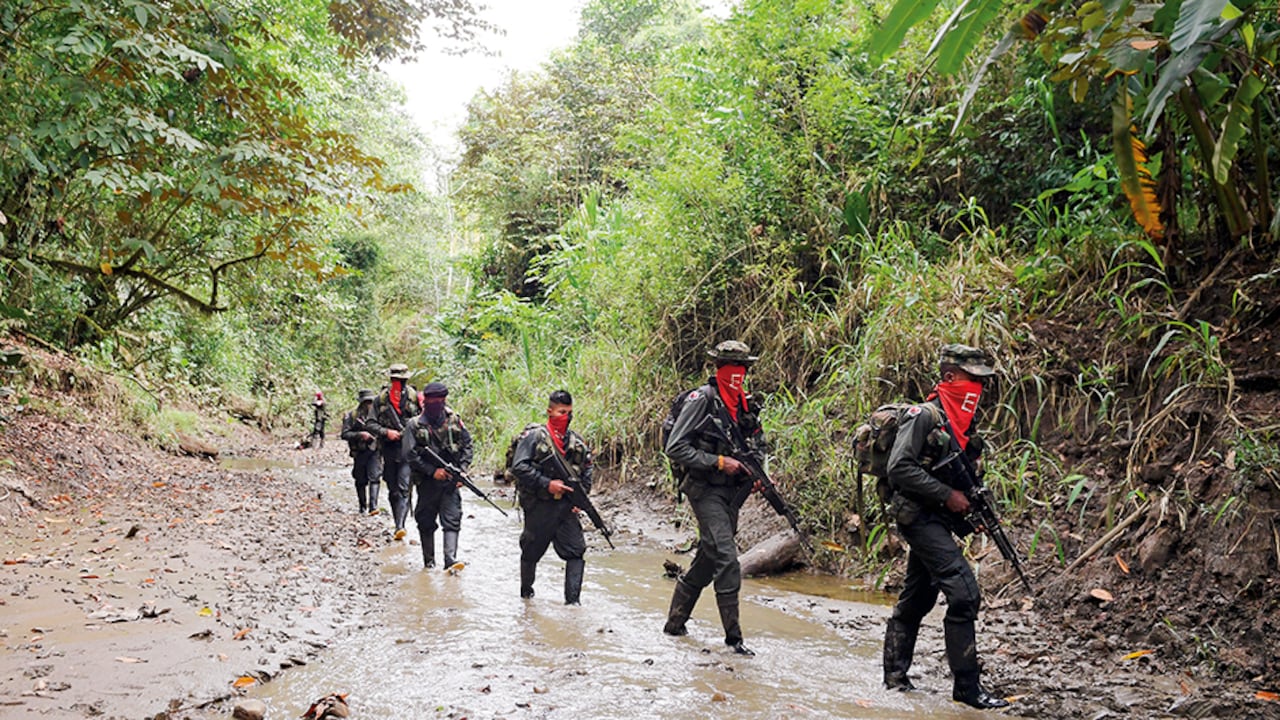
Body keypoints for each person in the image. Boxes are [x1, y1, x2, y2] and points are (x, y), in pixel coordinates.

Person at [881, 344, 1009, 710]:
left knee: (918, 598)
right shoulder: (923, 416)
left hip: (937, 518)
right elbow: (899, 468)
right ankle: (967, 689)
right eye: (973, 380)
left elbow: (965, 478)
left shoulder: (965, 425)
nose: (978, 390)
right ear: (950, 378)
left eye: (983, 383)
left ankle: (894, 678)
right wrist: (948, 495)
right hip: (917, 517)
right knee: (964, 593)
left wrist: (975, 512)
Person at [662, 340, 764, 656]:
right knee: (727, 557)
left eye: (742, 369)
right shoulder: (701, 400)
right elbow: (675, 447)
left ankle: (674, 625)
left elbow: (758, 444)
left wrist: (757, 473)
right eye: (732, 369)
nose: (738, 375)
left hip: (732, 492)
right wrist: (719, 462)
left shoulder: (744, 404)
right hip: (704, 488)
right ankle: (734, 640)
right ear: (719, 368)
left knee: (707, 560)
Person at [511, 389, 594, 604]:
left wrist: (580, 500)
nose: (565, 417)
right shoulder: (534, 437)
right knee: (531, 552)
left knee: (576, 552)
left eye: (569, 412)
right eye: (561, 412)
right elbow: (519, 466)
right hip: (539, 506)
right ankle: (526, 596)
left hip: (565, 509)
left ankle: (573, 603)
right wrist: (547, 484)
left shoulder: (576, 442)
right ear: (549, 411)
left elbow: (586, 470)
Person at [403, 382, 473, 570]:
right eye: (432, 402)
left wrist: (463, 469)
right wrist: (432, 471)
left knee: (452, 518)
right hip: (426, 482)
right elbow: (410, 455)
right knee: (425, 520)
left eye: (440, 401)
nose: (437, 405)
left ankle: (450, 559)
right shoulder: (414, 425)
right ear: (425, 402)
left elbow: (467, 445)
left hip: (451, 481)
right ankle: (429, 562)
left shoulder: (454, 420)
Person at [368, 364, 420, 540]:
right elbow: (370, 423)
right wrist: (386, 432)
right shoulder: (380, 400)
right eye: (395, 380)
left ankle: (400, 526)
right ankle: (398, 520)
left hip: (409, 450)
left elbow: (424, 421)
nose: (398, 383)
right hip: (389, 450)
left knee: (404, 488)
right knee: (393, 489)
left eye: (401, 380)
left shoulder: (415, 398)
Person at [339, 389, 381, 514]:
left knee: (375, 477)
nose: (369, 405)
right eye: (366, 402)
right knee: (360, 480)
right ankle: (362, 507)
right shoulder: (352, 416)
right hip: (359, 452)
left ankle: (373, 507)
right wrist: (359, 434)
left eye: (370, 402)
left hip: (374, 450)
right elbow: (344, 434)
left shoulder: (378, 416)